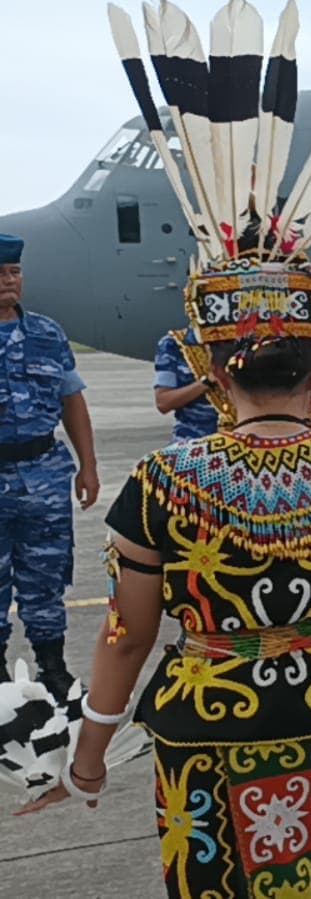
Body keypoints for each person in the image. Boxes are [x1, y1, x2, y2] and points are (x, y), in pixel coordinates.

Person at [22, 281, 311, 898]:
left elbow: (127, 638)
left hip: (209, 716)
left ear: (216, 375)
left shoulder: (163, 479)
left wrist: (88, 758)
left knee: (214, 873)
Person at [0, 233, 98, 699]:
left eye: (14, 272)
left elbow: (71, 401)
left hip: (43, 473)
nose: (8, 281)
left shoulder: (46, 333)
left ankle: (53, 667)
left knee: (46, 575)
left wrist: (88, 466)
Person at [152, 325, 220, 442]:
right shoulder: (173, 344)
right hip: (192, 442)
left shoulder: (245, 340)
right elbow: (163, 402)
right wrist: (206, 382)